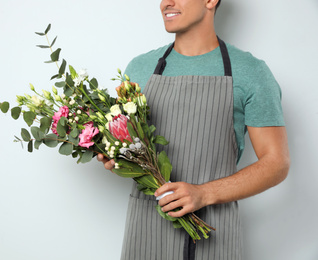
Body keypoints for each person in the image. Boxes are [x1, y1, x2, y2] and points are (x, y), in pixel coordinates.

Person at [97, 0, 290, 259]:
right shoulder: (139, 69)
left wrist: (203, 193)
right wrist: (115, 155)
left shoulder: (251, 73)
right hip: (146, 227)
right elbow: (133, 149)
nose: (167, 3)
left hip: (213, 229)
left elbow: (277, 163)